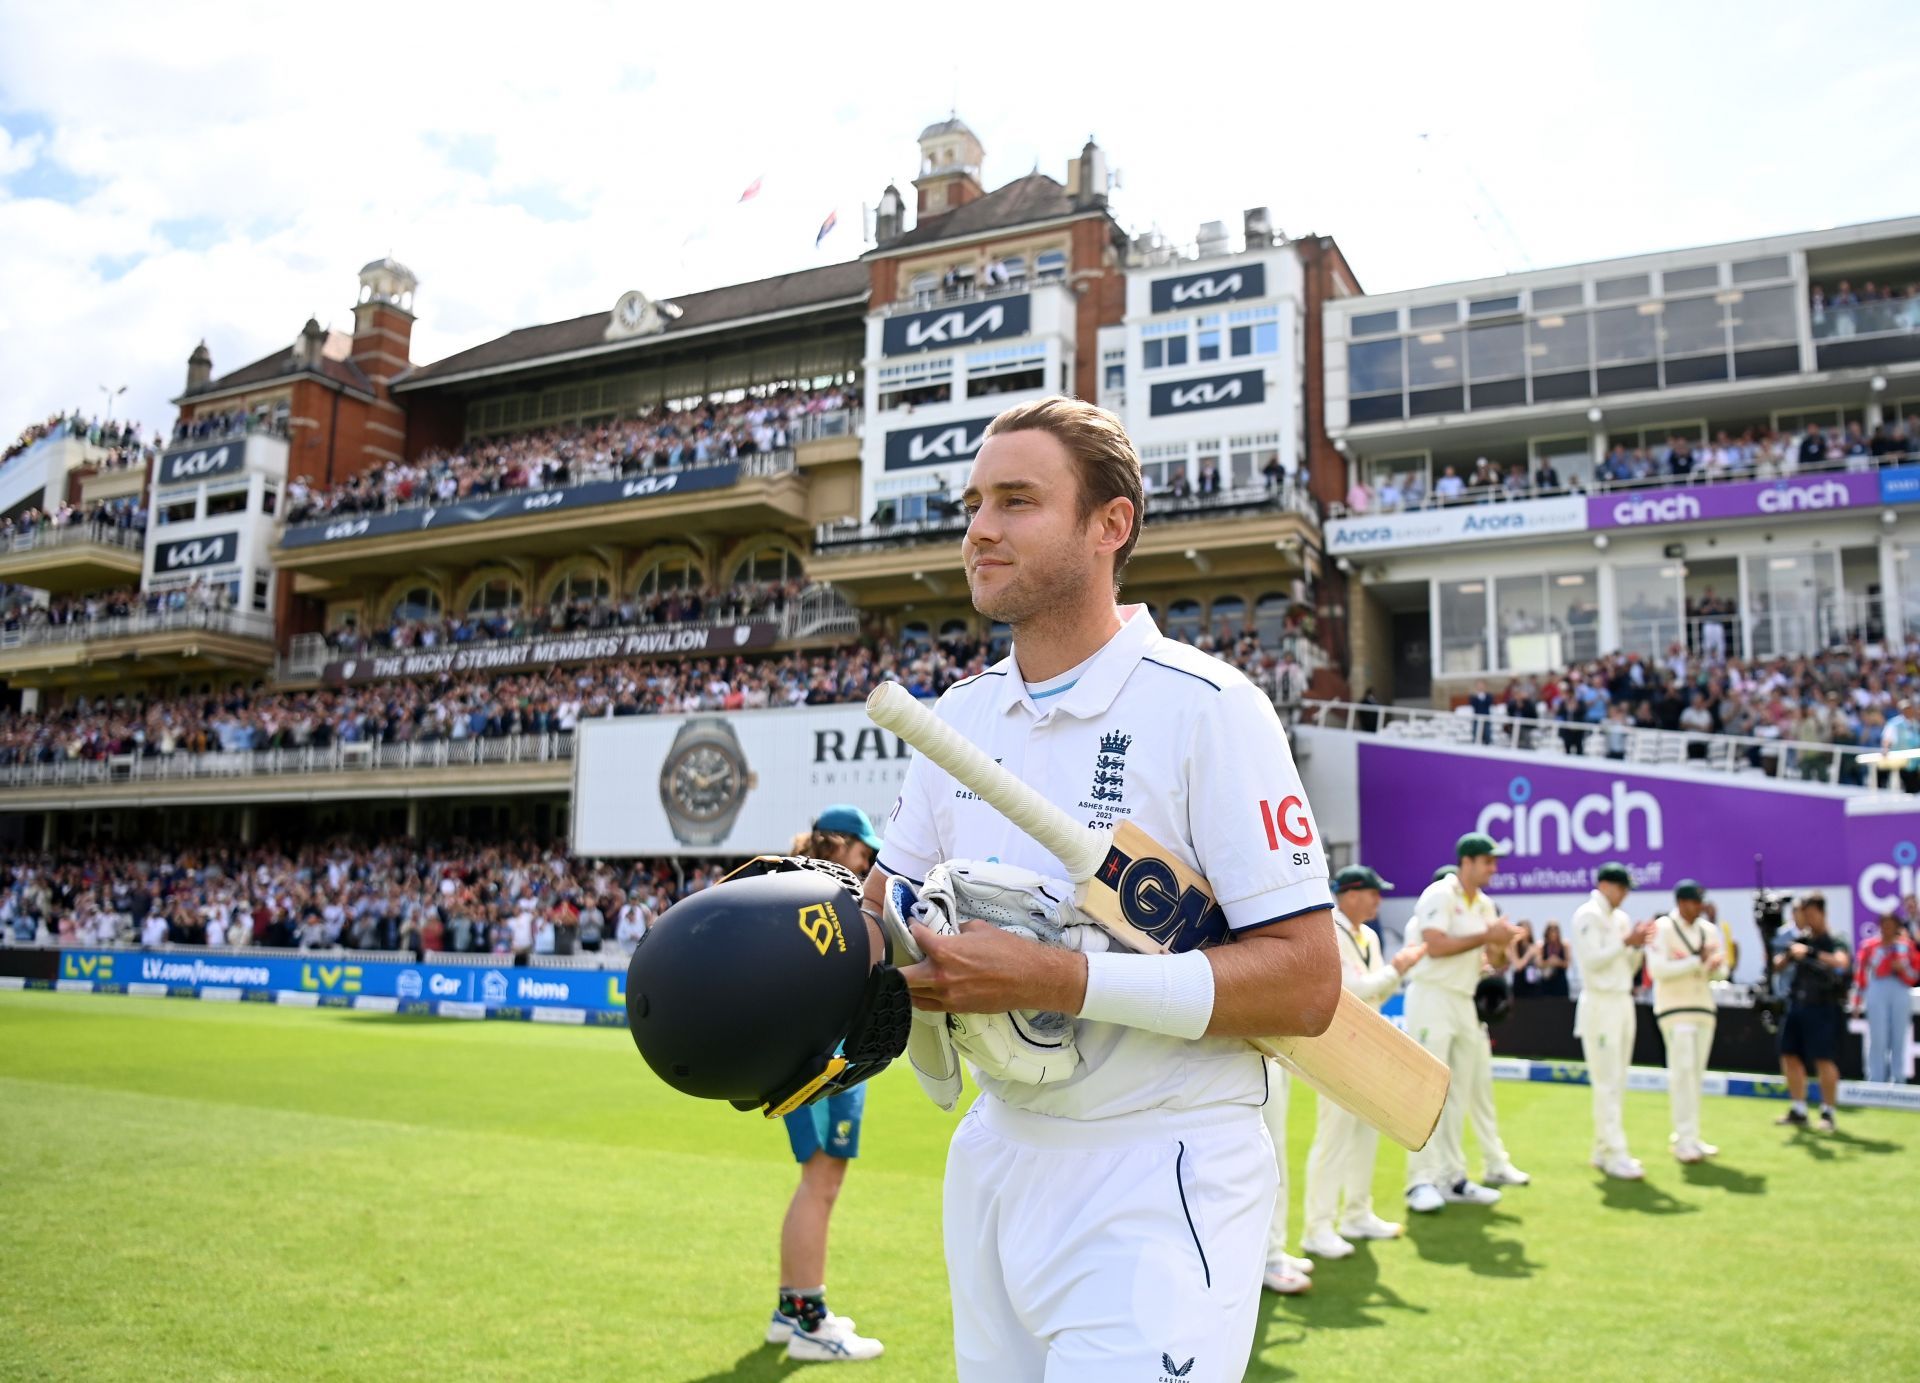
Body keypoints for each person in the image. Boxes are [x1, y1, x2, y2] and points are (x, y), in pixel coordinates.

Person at [867, 396, 1339, 1382]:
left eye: (1017, 501)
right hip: (994, 1158)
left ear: (1109, 525)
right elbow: (884, 918)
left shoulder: (1211, 709)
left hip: (1161, 1173)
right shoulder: (953, 720)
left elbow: (1303, 983)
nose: (979, 529)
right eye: (972, 504)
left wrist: (1055, 980)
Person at [764, 805, 890, 1362]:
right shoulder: (820, 894)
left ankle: (790, 1309)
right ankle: (810, 1320)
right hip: (823, 1058)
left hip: (815, 1053)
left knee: (817, 1182)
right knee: (821, 1182)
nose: (870, 864)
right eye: (864, 852)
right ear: (837, 844)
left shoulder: (798, 887)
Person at [1299, 866, 1424, 1260]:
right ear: (1350, 893)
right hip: (1335, 1048)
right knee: (1333, 1137)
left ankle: (1356, 1214)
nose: (1378, 900)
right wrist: (1399, 967)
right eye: (1373, 892)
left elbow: (1375, 997)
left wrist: (1393, 972)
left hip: (1366, 1044)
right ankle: (1317, 1229)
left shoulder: (1367, 935)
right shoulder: (1329, 931)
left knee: (1365, 1132)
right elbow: (1350, 990)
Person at [1403, 833, 1524, 1214]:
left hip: (1463, 999)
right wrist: (1488, 935)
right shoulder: (1439, 894)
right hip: (1432, 996)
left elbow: (1497, 960)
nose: (1494, 868)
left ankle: (1453, 1178)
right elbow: (1435, 945)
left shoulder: (1485, 904)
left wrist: (1501, 944)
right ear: (1467, 862)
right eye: (1489, 861)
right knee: (1426, 1090)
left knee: (1460, 1093)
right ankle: (1419, 1181)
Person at [1572, 863, 1654, 1179]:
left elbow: (1626, 964)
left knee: (1617, 1081)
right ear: (1605, 885)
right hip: (1600, 1003)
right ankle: (1615, 1153)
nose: (1625, 895)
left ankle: (1603, 1149)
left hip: (1622, 1000)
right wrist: (1626, 941)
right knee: (1606, 1082)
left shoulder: (1620, 919)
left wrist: (1636, 945)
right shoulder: (1587, 915)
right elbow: (1592, 960)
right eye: (1622, 887)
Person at [1646, 880, 1726, 1162]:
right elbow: (1658, 969)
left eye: (1701, 901)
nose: (1699, 906)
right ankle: (1683, 1140)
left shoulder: (1708, 930)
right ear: (1681, 902)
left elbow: (1721, 969)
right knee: (1682, 1074)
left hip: (1703, 1007)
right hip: (1674, 1009)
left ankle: (1690, 1136)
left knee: (1695, 1076)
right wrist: (1696, 962)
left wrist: (1714, 967)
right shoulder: (1663, 928)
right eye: (1695, 901)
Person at [1771, 893, 1851, 1132]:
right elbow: (1775, 966)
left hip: (1823, 1006)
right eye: (1803, 914)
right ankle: (1799, 1109)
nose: (1806, 918)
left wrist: (1810, 953)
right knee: (1788, 1054)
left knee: (1823, 1059)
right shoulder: (1799, 940)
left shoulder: (1835, 938)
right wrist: (1788, 954)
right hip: (1797, 1004)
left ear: (1822, 912)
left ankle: (1828, 1112)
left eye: (1810, 913)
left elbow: (1841, 962)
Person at [1853, 912, 1918, 1085]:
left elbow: (1915, 973)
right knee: (1877, 1036)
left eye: (1891, 925)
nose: (1887, 929)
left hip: (1900, 988)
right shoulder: (1869, 946)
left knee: (1899, 1036)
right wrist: (1857, 1001)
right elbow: (1860, 974)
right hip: (1877, 988)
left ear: (1897, 927)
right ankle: (1875, 1079)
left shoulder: (1906, 946)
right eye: (1884, 924)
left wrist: (1902, 968)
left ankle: (1898, 1078)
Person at [1537, 921, 1571, 996]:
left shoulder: (1565, 945)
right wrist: (1549, 962)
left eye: (1555, 931)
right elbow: (1539, 964)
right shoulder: (1542, 946)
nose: (1553, 934)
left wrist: (1558, 962)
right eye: (1551, 931)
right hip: (1546, 981)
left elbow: (1568, 964)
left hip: (1560, 981)